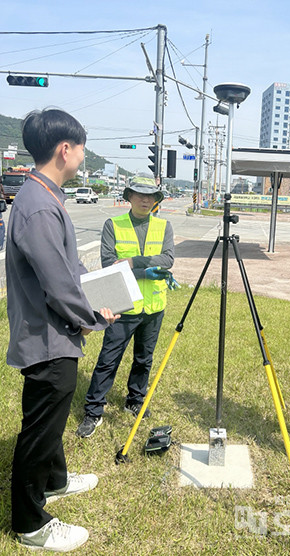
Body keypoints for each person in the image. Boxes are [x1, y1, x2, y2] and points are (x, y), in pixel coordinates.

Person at [6, 108, 118, 552]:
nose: (83, 158)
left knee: (50, 424)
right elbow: (57, 284)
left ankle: (55, 480)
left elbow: (70, 268)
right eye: (82, 149)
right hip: (47, 339)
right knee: (39, 432)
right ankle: (30, 524)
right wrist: (89, 319)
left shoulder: (46, 196)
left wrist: (99, 287)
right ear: (65, 149)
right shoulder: (37, 206)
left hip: (56, 334)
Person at [76, 174, 175, 438]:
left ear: (156, 200)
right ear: (129, 196)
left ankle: (135, 400)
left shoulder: (164, 226)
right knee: (109, 359)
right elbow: (110, 263)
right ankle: (94, 410)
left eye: (150, 196)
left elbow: (167, 259)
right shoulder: (114, 224)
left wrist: (131, 262)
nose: (145, 200)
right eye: (139, 194)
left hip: (154, 306)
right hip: (122, 305)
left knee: (144, 358)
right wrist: (141, 269)